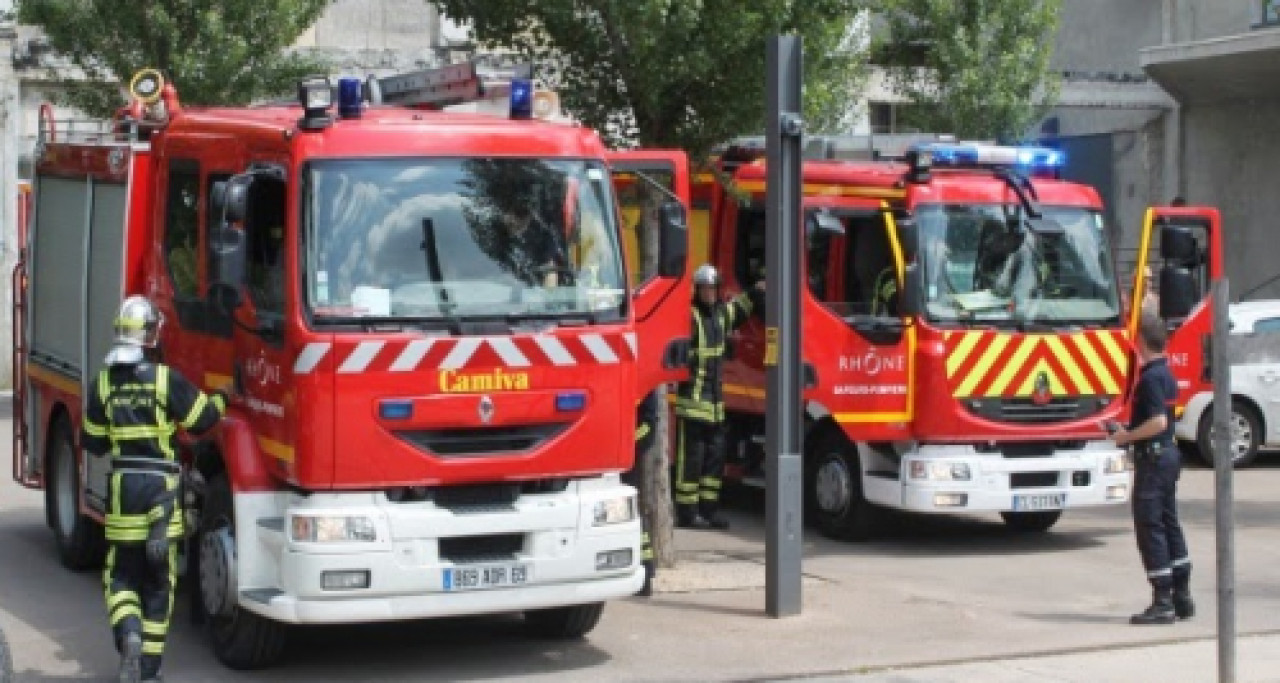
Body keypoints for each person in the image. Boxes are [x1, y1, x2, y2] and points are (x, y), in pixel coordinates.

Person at [81, 296, 231, 682]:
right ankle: (148, 671)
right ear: (148, 337)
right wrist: (224, 395)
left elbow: (93, 442)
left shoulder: (102, 385)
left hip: (123, 491)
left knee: (120, 578)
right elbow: (202, 420)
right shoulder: (166, 379)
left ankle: (128, 635)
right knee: (159, 584)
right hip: (162, 494)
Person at [1109, 311, 1192, 625]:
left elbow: (1156, 421)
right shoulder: (1167, 374)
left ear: (1140, 340)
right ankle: (1181, 594)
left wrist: (1125, 436)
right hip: (1168, 454)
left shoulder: (1151, 378)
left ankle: (1162, 602)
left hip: (1154, 458)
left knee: (1150, 526)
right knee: (1169, 521)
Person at [673, 264, 763, 530]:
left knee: (714, 463)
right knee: (690, 463)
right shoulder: (690, 318)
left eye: (713, 288)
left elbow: (741, 309)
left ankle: (709, 512)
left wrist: (757, 291)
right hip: (693, 405)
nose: (709, 293)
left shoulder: (721, 316)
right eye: (705, 289)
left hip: (714, 407)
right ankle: (687, 514)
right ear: (697, 290)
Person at [623, 390, 660, 596]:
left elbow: (649, 425)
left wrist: (627, 441)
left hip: (629, 454)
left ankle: (645, 572)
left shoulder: (645, 386)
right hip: (612, 452)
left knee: (634, 512)